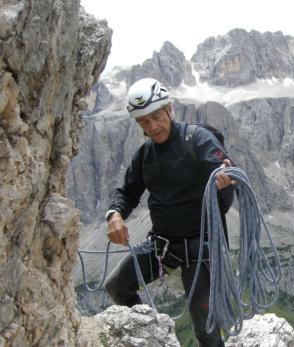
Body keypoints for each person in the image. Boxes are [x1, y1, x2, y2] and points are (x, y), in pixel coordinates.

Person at [104, 77, 234, 347]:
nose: (152, 126)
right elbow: (127, 192)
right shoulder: (145, 155)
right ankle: (153, 337)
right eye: (144, 122)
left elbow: (223, 180)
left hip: (203, 249)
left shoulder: (197, 140)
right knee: (117, 286)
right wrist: (114, 214)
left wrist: (223, 182)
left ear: (169, 109)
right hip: (162, 245)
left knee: (206, 330)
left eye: (155, 117)